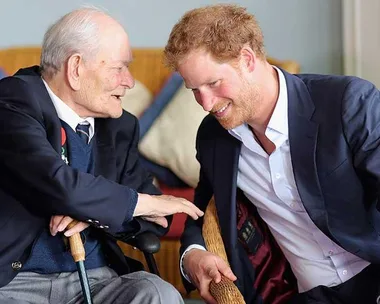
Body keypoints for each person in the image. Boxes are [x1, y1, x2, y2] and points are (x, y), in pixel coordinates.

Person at [164, 4, 380, 304]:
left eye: (213, 83)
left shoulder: (348, 101)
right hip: (305, 295)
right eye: (194, 90)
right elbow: (202, 208)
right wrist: (193, 256)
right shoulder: (214, 137)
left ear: (248, 59)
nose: (205, 103)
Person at [0, 7, 204, 304]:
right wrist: (130, 203)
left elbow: (154, 220)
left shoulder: (120, 126)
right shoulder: (14, 103)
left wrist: (93, 214)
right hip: (15, 283)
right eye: (119, 68)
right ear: (76, 68)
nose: (129, 81)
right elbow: (61, 185)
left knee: (157, 293)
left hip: (96, 281)